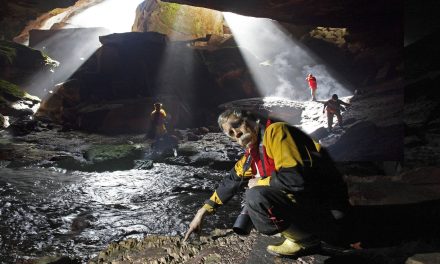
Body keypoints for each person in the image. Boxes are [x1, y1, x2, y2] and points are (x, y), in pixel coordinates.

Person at [184, 108, 351, 258]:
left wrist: (261, 182)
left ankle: (305, 240)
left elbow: (296, 178)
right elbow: (231, 181)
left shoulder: (276, 132)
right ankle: (302, 233)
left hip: (327, 209)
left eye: (237, 125)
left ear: (252, 119)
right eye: (231, 133)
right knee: (254, 192)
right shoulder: (252, 154)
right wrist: (203, 212)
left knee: (255, 195)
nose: (237, 133)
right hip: (309, 206)